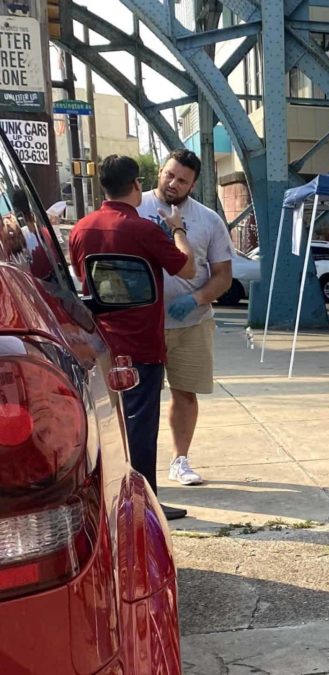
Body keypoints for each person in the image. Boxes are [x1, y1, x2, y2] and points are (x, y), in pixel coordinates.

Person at [69, 155, 196, 520]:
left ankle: (106, 498)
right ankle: (144, 505)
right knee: (141, 427)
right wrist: (178, 230)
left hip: (100, 345)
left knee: (104, 425)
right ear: (137, 184)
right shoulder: (143, 229)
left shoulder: (81, 229)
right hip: (142, 344)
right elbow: (187, 267)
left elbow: (83, 278)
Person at [137, 148, 233, 488]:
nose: (173, 183)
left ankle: (180, 460)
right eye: (169, 175)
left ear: (193, 185)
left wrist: (196, 299)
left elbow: (223, 275)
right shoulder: (136, 208)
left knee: (185, 393)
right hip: (141, 325)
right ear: (160, 172)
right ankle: (134, 464)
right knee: (136, 397)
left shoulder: (208, 220)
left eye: (182, 180)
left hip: (191, 323)